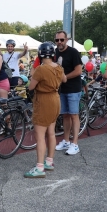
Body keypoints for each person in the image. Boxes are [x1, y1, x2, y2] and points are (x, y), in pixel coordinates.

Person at [24, 42, 66, 178]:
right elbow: (64, 79)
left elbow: (31, 86)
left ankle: (39, 168)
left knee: (40, 135)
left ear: (40, 54)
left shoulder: (41, 69)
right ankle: (49, 161)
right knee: (51, 133)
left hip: (43, 101)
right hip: (55, 99)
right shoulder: (58, 67)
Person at [53, 31, 83, 155]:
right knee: (65, 115)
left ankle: (75, 144)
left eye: (62, 40)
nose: (59, 42)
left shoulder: (73, 52)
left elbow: (79, 71)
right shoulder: (55, 52)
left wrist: (64, 77)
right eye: (57, 40)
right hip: (62, 89)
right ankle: (66, 141)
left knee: (74, 115)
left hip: (73, 89)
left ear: (66, 40)